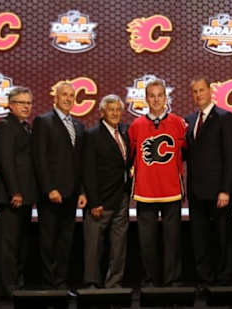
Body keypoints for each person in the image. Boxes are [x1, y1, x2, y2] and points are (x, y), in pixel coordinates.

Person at [128, 79, 187, 287]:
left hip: (171, 191)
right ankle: (150, 280)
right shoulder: (135, 126)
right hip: (145, 192)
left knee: (172, 241)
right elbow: (130, 157)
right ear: (145, 99)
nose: (156, 99)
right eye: (151, 95)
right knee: (147, 242)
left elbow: (186, 153)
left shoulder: (179, 123)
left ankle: (173, 280)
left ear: (166, 98)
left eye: (160, 95)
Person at [32, 82, 87, 289]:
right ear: (55, 97)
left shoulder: (78, 125)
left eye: (72, 95)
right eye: (64, 95)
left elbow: (79, 162)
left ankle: (61, 284)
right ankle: (49, 285)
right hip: (52, 193)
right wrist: (49, 189)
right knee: (48, 241)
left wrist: (81, 191)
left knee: (66, 241)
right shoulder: (43, 121)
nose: (68, 98)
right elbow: (40, 158)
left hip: (72, 194)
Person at [184, 77, 232, 287]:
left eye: (201, 90)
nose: (198, 95)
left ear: (210, 91)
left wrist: (225, 189)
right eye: (194, 92)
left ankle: (224, 279)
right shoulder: (189, 119)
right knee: (200, 237)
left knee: (222, 236)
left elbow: (231, 157)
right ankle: (204, 278)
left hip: (218, 191)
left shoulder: (225, 117)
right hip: (196, 191)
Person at [0, 86, 37, 299]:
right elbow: (6, 162)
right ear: (11, 105)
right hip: (12, 196)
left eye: (29, 103)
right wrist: (15, 192)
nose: (27, 107)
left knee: (21, 243)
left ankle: (17, 284)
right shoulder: (5, 127)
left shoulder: (26, 127)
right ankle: (7, 288)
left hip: (26, 196)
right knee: (9, 245)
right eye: (22, 103)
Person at [82, 94, 131, 289]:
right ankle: (92, 283)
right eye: (111, 110)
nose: (115, 113)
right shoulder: (92, 135)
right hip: (100, 199)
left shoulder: (125, 133)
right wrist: (94, 202)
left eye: (118, 109)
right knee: (94, 246)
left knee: (119, 246)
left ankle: (114, 283)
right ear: (102, 113)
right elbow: (88, 170)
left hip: (122, 198)